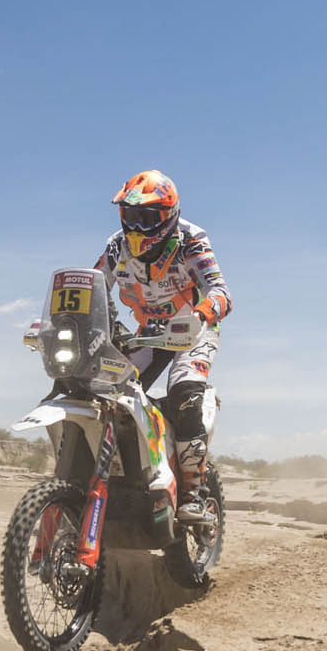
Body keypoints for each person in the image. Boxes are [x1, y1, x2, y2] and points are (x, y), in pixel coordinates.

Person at [95, 170, 231, 522]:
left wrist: (202, 314)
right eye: (130, 216)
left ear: (168, 216)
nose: (138, 228)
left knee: (185, 392)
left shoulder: (191, 240)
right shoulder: (116, 246)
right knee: (105, 388)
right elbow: (93, 287)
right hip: (149, 333)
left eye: (147, 217)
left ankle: (193, 491)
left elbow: (221, 292)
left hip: (193, 331)